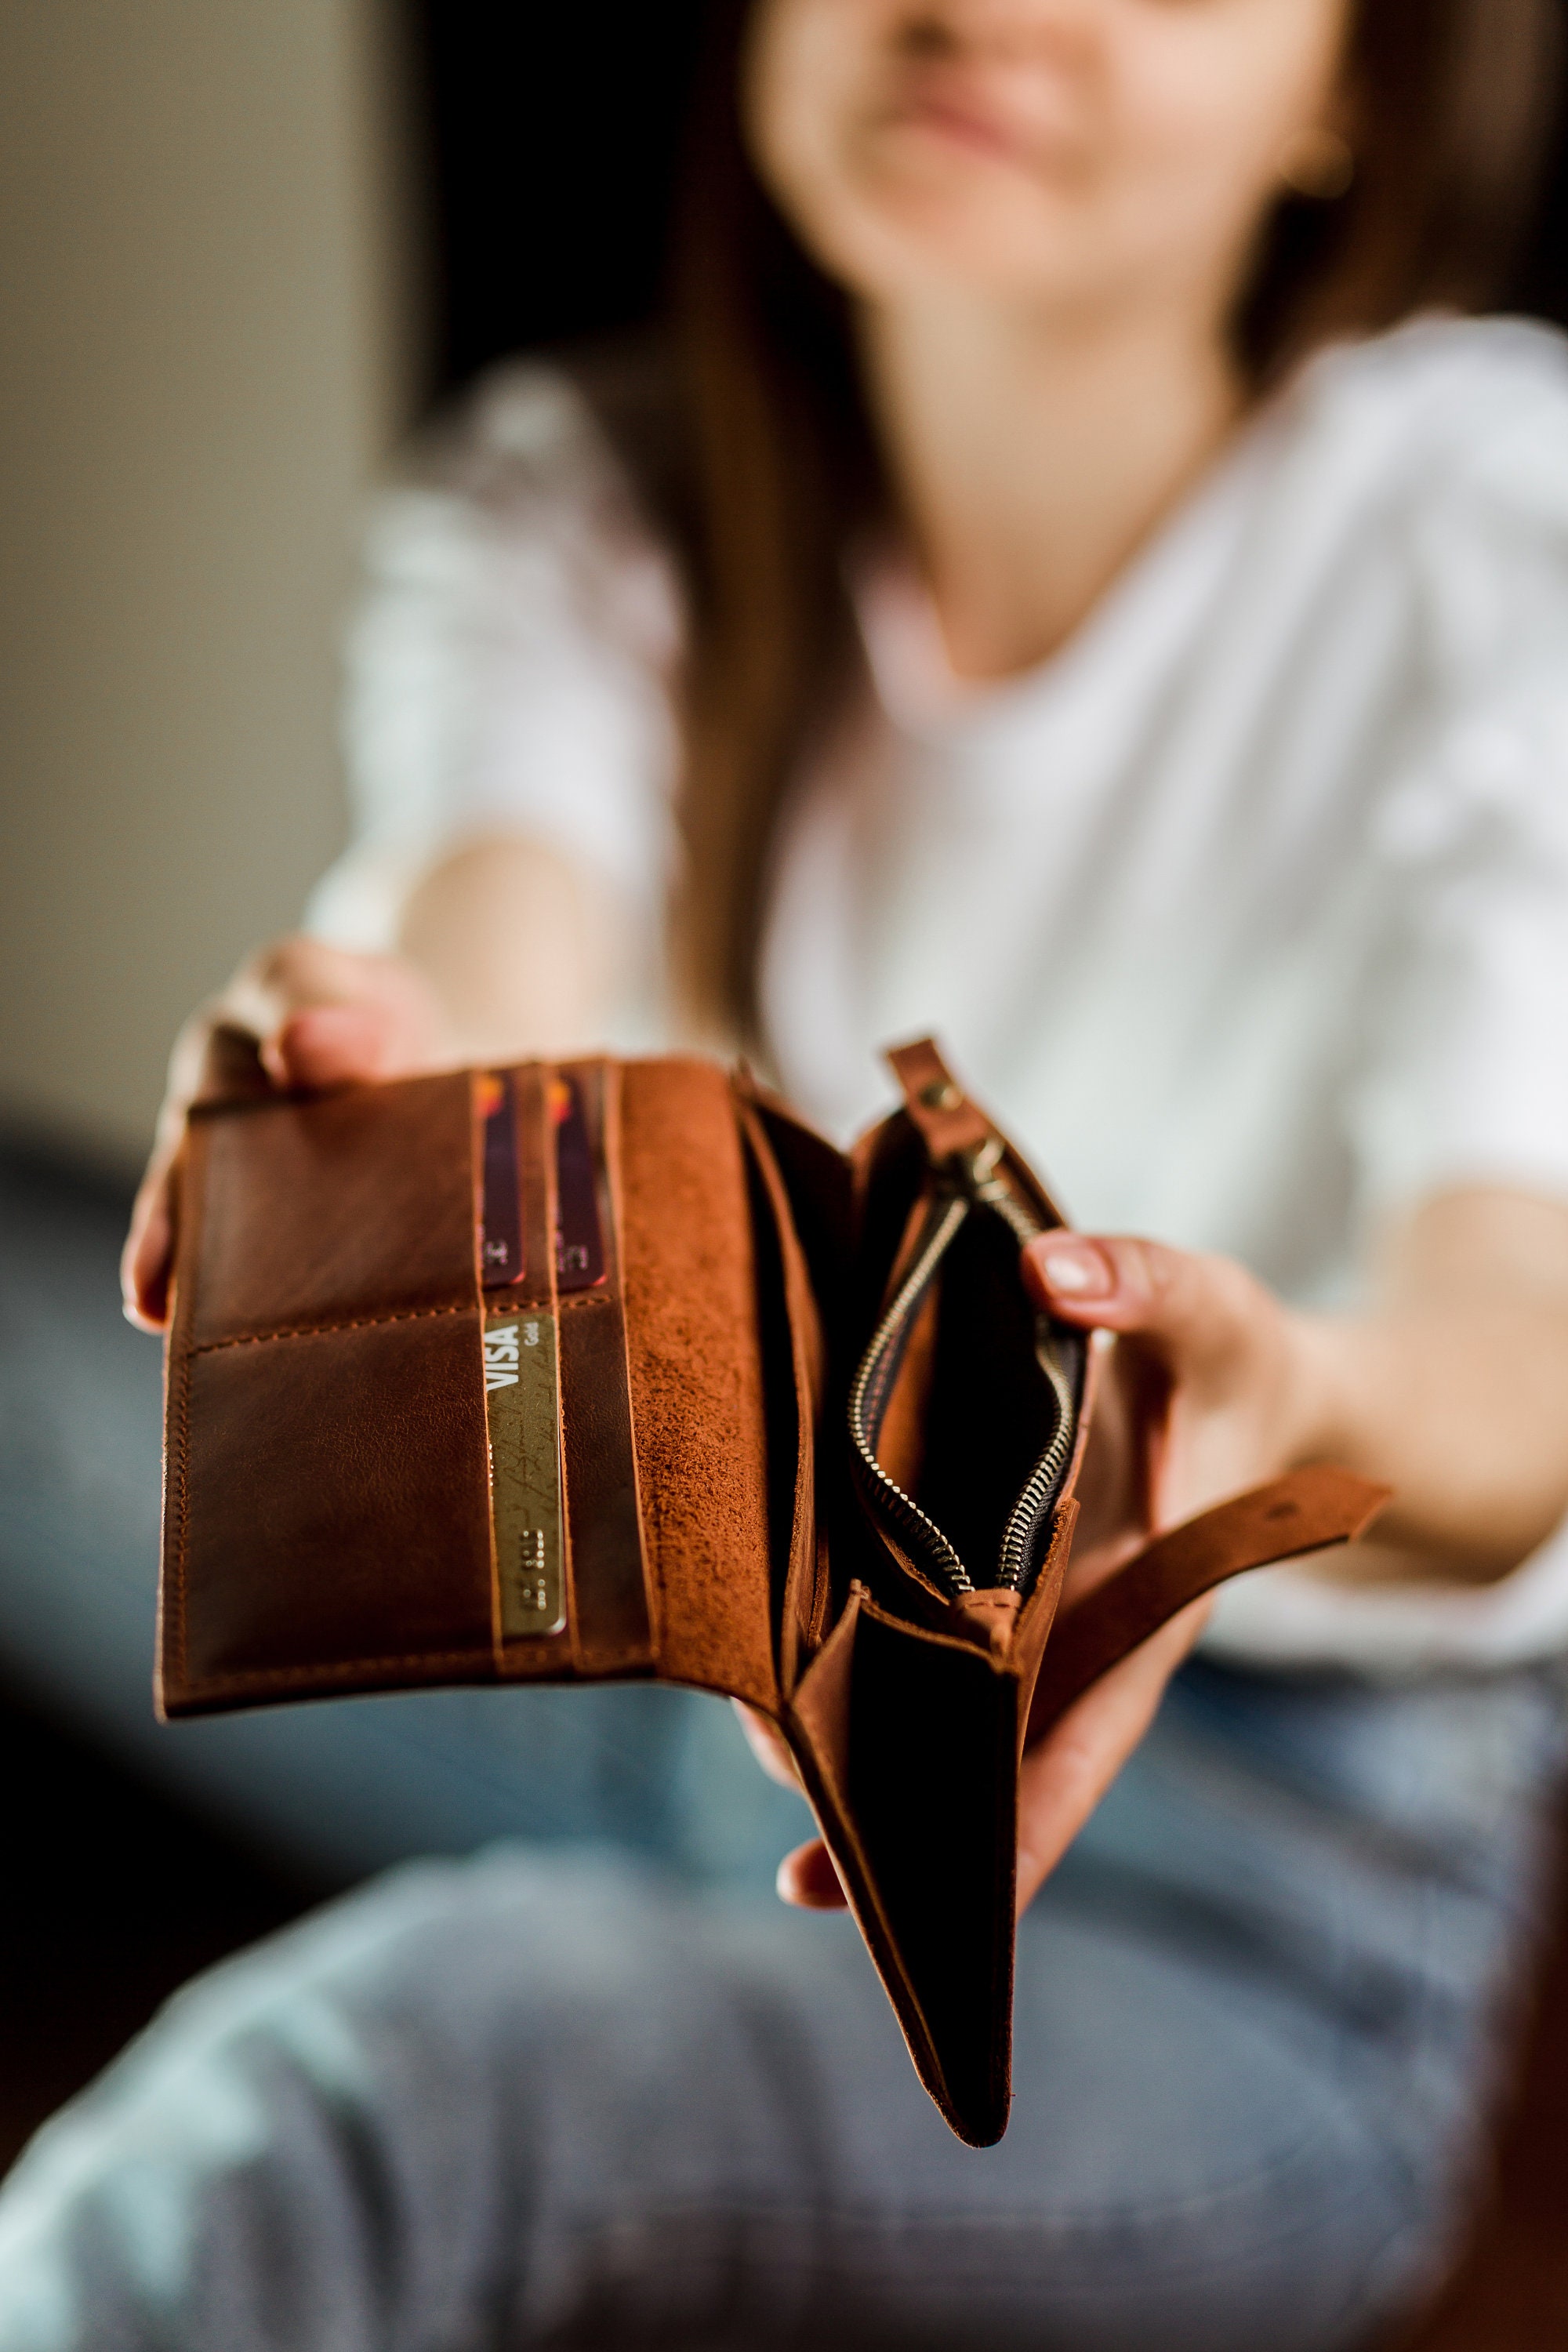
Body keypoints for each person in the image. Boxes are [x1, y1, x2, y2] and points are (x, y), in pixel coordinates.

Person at [5, 0, 1568, 2343]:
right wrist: (385, 1124)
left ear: (1365, 80)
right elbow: (496, 960)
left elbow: (1519, 1369)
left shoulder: (1501, 510)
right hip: (658, 1674)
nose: (980, 7)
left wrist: (1265, 1414)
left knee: (357, 2107)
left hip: (1236, 1913)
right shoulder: (572, 488)